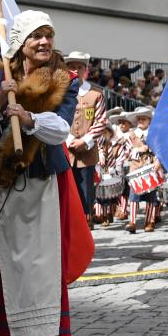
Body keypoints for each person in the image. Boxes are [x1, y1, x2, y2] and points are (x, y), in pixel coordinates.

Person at [0, 10, 91, 336]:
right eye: (36, 36)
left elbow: (60, 130)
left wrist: (28, 119)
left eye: (48, 35)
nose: (44, 42)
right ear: (21, 43)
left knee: (41, 260)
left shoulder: (64, 79)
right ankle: (8, 333)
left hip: (43, 178)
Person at [63, 50, 107, 225]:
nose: (75, 70)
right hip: (64, 151)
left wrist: (85, 140)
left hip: (87, 153)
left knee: (86, 192)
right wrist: (68, 139)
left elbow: (101, 121)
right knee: (66, 190)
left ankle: (85, 224)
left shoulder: (95, 94)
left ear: (85, 69)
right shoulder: (60, 93)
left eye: (79, 67)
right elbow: (55, 117)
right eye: (71, 67)